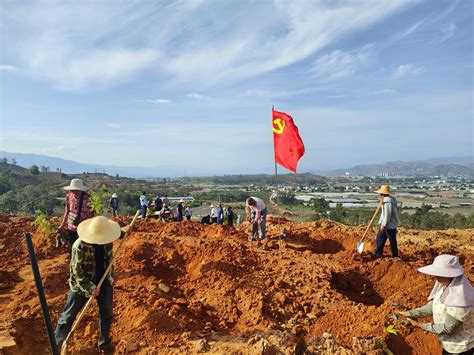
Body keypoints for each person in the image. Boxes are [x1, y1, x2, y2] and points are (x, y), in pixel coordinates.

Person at [54, 216, 127, 352]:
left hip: (104, 280)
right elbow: (76, 272)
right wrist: (90, 287)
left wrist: (125, 231)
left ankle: (104, 343)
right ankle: (56, 347)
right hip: (82, 284)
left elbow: (120, 233)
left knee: (107, 314)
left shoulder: (107, 239)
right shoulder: (79, 246)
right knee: (68, 317)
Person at [396, 255, 474, 355]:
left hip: (461, 349)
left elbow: (447, 328)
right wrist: (410, 313)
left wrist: (419, 325)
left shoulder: (461, 299)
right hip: (447, 345)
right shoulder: (445, 287)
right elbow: (431, 307)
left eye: (439, 273)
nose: (434, 276)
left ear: (450, 275)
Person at [59, 179, 95, 253]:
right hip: (72, 228)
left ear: (81, 189)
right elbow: (67, 211)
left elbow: (93, 213)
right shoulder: (69, 196)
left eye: (76, 190)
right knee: (72, 249)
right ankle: (73, 264)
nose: (74, 192)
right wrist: (62, 225)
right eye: (73, 190)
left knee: (85, 251)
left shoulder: (89, 198)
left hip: (85, 228)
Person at [374, 185, 399, 258]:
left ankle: (395, 256)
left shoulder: (388, 202)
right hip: (385, 224)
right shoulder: (385, 200)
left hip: (389, 226)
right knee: (380, 239)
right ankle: (377, 254)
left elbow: (387, 214)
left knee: (392, 241)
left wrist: (383, 225)